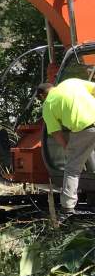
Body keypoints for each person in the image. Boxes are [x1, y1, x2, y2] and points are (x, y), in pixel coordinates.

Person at [38, 78, 95, 217]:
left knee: (72, 170)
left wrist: (66, 147)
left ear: (42, 96)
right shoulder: (71, 82)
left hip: (84, 129)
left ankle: (67, 208)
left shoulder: (48, 105)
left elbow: (56, 132)